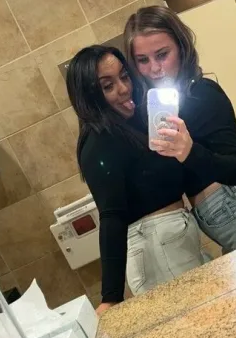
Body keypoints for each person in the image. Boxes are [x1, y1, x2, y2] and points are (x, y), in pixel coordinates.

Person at [124, 6, 236, 254]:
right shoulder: (155, 108)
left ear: (181, 47)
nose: (155, 68)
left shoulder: (204, 93)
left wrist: (190, 152)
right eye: (143, 60)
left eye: (162, 54)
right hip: (231, 223)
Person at [66, 45, 205, 314]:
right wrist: (111, 297)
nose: (123, 89)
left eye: (124, 76)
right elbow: (112, 215)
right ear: (89, 97)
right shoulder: (99, 141)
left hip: (167, 245)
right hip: (159, 250)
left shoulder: (128, 127)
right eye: (108, 86)